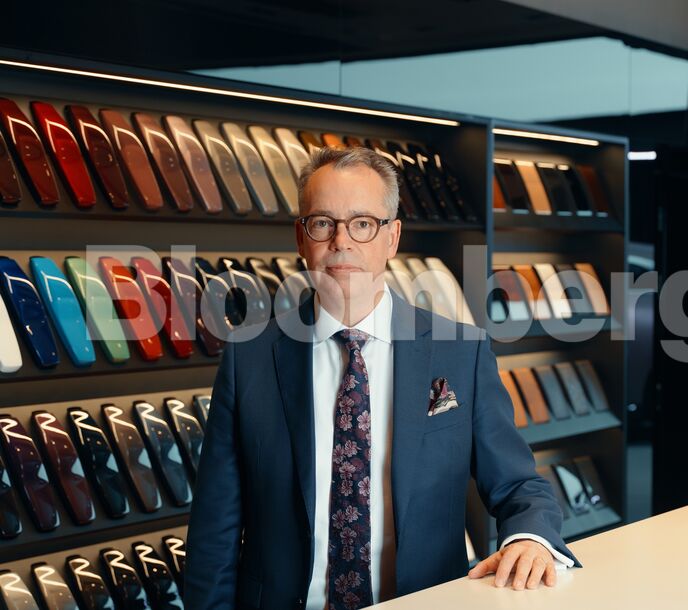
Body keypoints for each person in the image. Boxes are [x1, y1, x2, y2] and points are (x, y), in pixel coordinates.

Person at [184, 146, 579, 610]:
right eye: (322, 222)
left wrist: (529, 539)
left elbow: (519, 487)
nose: (341, 241)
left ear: (391, 237)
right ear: (300, 236)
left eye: (362, 223)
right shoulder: (247, 360)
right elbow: (215, 531)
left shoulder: (461, 352)